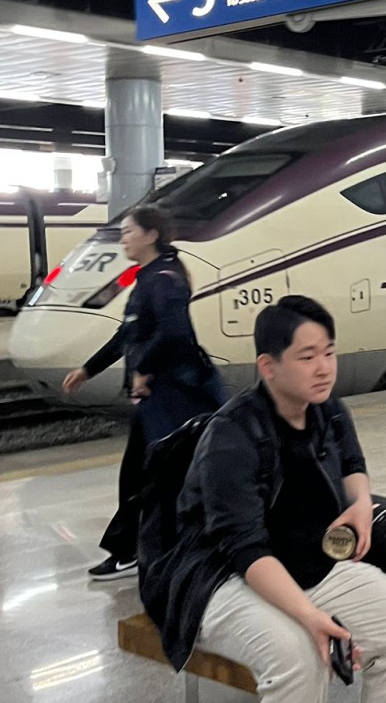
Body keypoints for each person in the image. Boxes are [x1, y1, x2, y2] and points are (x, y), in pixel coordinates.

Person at [142, 295, 386, 702]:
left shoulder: (327, 409)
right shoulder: (233, 435)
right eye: (307, 356)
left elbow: (353, 462)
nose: (324, 368)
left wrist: (362, 503)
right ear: (268, 367)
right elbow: (244, 548)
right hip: (220, 576)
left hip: (304, 558)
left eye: (330, 353)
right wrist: (310, 617)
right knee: (299, 656)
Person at [63, 205, 224, 581]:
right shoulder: (151, 277)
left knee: (149, 475)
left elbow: (176, 334)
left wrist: (144, 368)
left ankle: (136, 550)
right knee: (152, 474)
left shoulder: (163, 279)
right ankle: (144, 547)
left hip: (174, 395)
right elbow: (128, 334)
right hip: (164, 397)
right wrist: (88, 369)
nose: (123, 238)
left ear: (151, 235)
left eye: (128, 231)